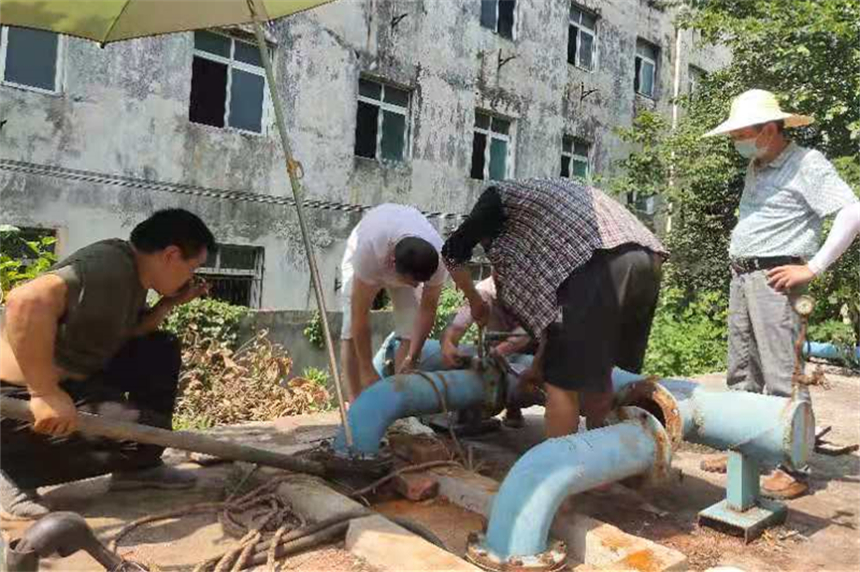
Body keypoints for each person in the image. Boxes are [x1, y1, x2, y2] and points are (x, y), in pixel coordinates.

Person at [0, 209, 215, 519]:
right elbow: (25, 300)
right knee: (135, 436)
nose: (191, 277)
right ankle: (11, 472)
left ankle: (138, 467)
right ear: (171, 255)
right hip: (12, 399)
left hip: (71, 379)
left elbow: (129, 331)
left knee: (159, 348)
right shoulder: (107, 267)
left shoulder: (134, 276)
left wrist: (168, 304)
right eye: (192, 267)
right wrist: (44, 393)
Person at [701, 89, 860, 498]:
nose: (735, 141)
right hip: (744, 277)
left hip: (776, 279)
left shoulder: (806, 163)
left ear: (769, 130)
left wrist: (813, 266)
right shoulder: (758, 163)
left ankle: (793, 467)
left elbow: (852, 211)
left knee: (782, 376)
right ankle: (744, 449)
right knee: (743, 372)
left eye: (741, 134)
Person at [442, 178, 667, 438]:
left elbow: (451, 252)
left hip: (598, 258)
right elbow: (553, 317)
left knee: (562, 386)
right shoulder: (545, 228)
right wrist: (538, 366)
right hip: (647, 259)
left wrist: (475, 302)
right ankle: (601, 456)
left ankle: (560, 461)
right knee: (602, 371)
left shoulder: (496, 199)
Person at [340, 203, 447, 400]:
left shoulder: (440, 257)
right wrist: (366, 369)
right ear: (392, 264)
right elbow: (359, 314)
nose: (416, 286)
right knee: (349, 330)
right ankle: (355, 404)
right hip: (369, 246)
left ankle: (401, 401)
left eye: (421, 282)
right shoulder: (368, 251)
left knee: (410, 326)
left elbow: (428, 309)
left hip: (403, 254)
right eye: (413, 282)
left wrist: (413, 357)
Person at [440, 275, 533, 427]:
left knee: (529, 368)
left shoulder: (532, 291)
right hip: (497, 349)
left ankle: (513, 404)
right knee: (468, 356)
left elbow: (527, 332)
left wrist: (496, 352)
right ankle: (474, 406)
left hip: (531, 350)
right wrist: (448, 344)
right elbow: (458, 325)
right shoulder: (484, 290)